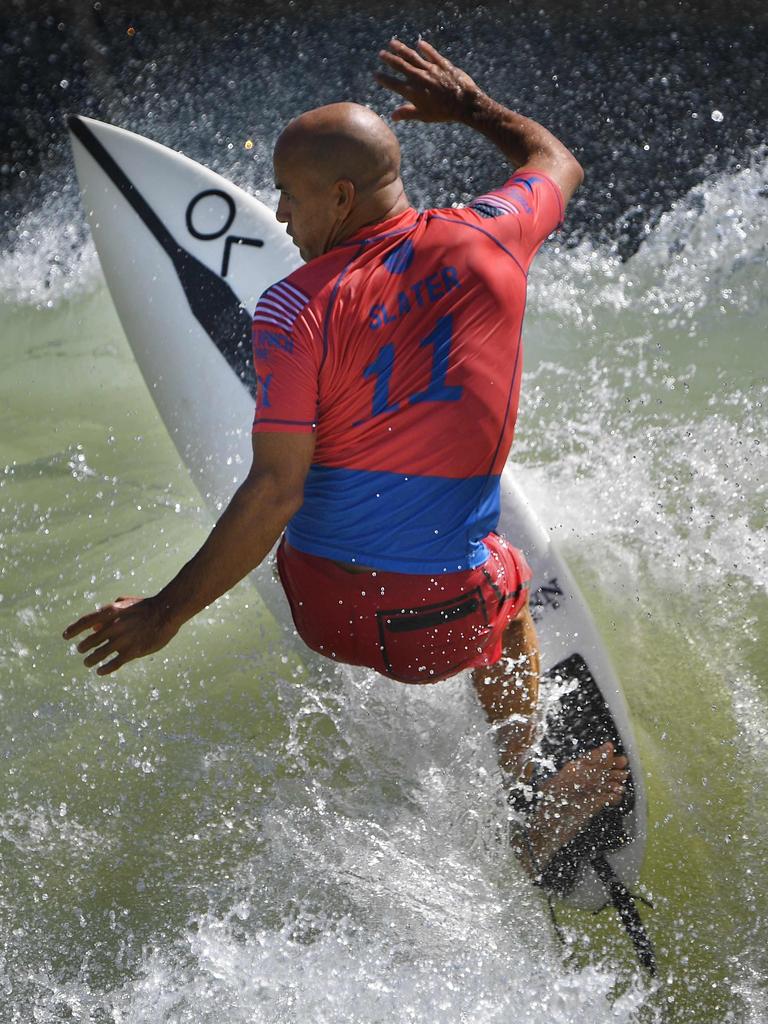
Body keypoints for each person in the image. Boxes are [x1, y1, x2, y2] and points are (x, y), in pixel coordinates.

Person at [64, 39, 628, 877]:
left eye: (289, 199)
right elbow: (557, 159)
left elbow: (274, 488)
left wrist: (164, 615)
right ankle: (528, 794)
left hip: (324, 616)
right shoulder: (498, 237)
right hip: (443, 629)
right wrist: (471, 106)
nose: (282, 218)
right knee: (508, 603)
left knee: (320, 450)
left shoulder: (292, 308)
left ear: (339, 195)